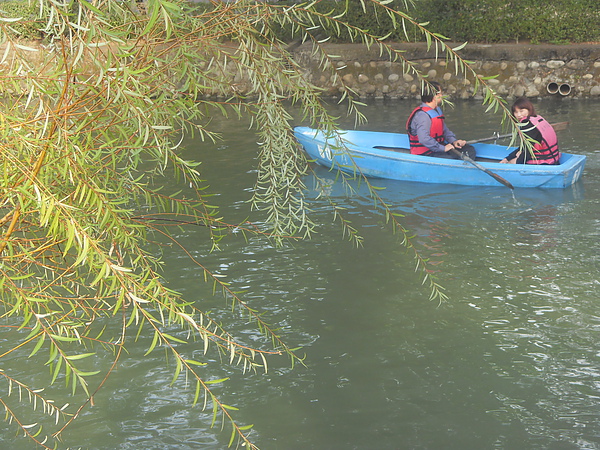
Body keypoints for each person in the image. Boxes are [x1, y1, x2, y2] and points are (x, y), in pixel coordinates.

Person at [406, 82, 476, 159]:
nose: (442, 95)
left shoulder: (436, 110)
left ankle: (464, 167)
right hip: (426, 153)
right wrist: (443, 148)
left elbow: (444, 130)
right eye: (440, 93)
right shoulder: (423, 116)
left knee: (469, 149)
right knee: (452, 157)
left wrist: (454, 141)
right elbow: (424, 139)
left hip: (437, 149)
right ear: (435, 96)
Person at [500, 97, 560, 165]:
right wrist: (507, 158)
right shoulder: (537, 118)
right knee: (515, 156)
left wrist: (515, 162)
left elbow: (528, 151)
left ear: (529, 109)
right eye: (516, 112)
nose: (519, 115)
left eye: (521, 111)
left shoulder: (528, 125)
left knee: (510, 163)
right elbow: (526, 146)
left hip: (544, 162)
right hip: (554, 159)